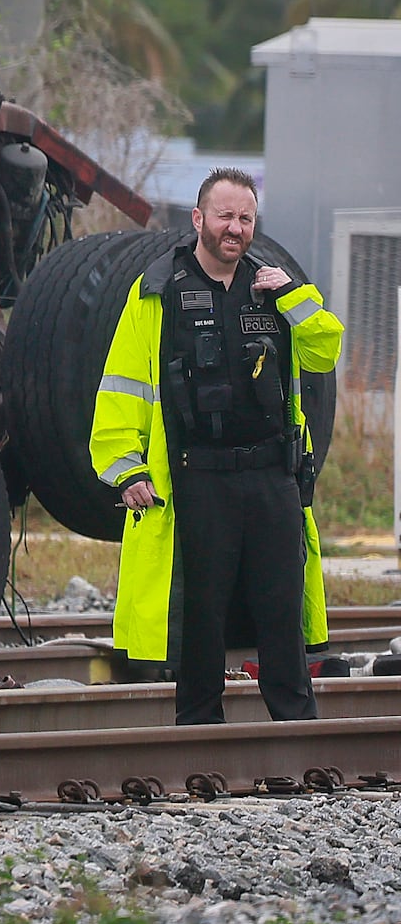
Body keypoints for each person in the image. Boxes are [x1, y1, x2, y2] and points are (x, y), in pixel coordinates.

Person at [88, 169, 343, 724]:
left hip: (273, 476)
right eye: (225, 216)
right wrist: (126, 470)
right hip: (196, 478)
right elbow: (122, 386)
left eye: (246, 218)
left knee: (282, 609)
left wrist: (294, 296)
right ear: (199, 219)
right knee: (200, 615)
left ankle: (299, 730)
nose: (236, 228)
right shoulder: (159, 292)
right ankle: (200, 731)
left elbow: (324, 351)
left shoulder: (275, 290)